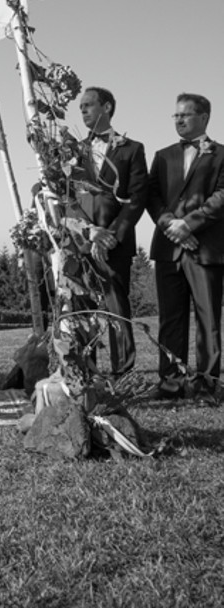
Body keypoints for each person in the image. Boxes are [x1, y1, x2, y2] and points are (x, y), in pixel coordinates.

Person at [147, 93, 224, 398]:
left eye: (185, 115)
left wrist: (189, 224)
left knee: (208, 319)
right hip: (168, 249)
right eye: (175, 115)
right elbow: (152, 196)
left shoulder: (221, 154)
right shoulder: (163, 156)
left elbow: (221, 196)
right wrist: (171, 225)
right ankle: (171, 383)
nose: (178, 120)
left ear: (204, 117)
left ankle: (207, 384)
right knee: (170, 319)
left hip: (205, 249)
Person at [74, 87, 149, 376]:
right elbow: (66, 197)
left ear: (106, 107)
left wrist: (110, 236)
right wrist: (89, 231)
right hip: (81, 242)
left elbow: (138, 198)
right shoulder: (73, 150)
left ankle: (122, 374)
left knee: (117, 308)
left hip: (115, 244)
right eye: (81, 106)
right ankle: (85, 372)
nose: (83, 110)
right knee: (81, 310)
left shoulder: (132, 149)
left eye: (88, 105)